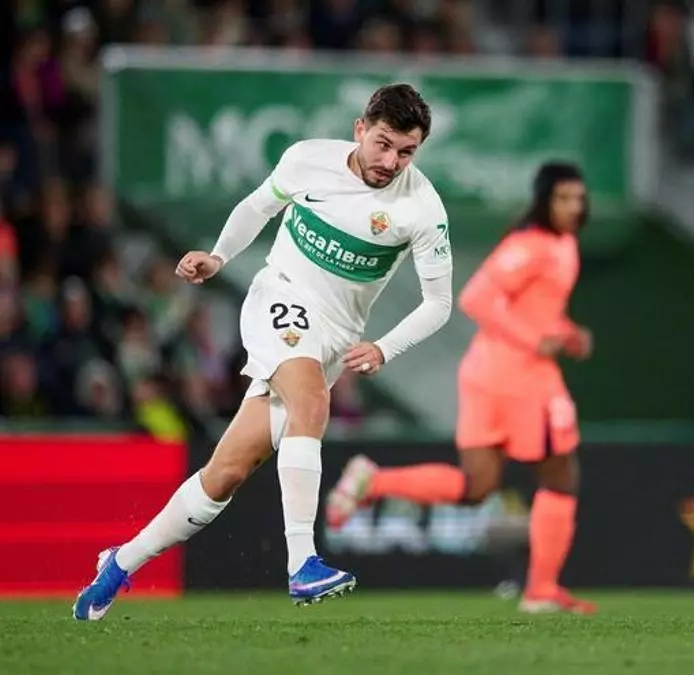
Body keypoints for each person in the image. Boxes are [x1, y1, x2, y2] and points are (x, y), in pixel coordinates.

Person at [73, 83, 455, 620]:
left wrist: (384, 348)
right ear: (360, 129)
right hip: (280, 298)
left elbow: (439, 303)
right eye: (384, 144)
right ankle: (303, 564)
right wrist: (219, 256)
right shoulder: (306, 160)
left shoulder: (422, 208)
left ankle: (120, 563)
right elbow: (259, 205)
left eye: (407, 152)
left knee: (225, 474)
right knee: (312, 404)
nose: (391, 162)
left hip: (334, 338)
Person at [324, 162, 595, 614]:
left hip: (489, 373)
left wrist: (566, 333)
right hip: (520, 376)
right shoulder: (531, 244)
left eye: (579, 199)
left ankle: (373, 480)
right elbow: (476, 298)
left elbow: (535, 310)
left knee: (477, 487)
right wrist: (536, 341)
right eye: (563, 198)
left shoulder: (561, 245)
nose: (573, 207)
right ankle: (541, 590)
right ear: (544, 201)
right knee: (561, 475)